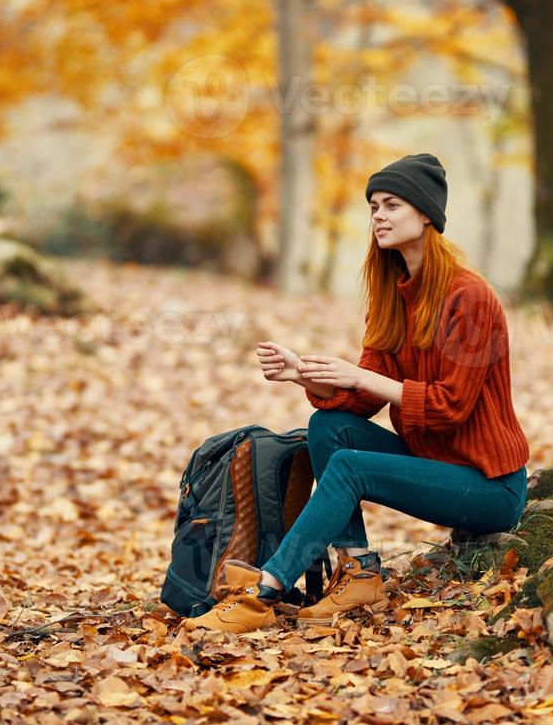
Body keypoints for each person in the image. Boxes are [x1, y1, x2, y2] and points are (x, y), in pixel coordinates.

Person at [184, 152, 531, 633]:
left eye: (392, 205)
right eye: (373, 207)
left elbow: (451, 406)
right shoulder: (393, 294)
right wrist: (302, 374)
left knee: (350, 466)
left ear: (426, 214)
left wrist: (362, 378)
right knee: (329, 426)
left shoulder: (469, 297)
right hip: (433, 464)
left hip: (490, 486)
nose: (378, 217)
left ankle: (265, 588)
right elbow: (361, 399)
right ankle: (359, 569)